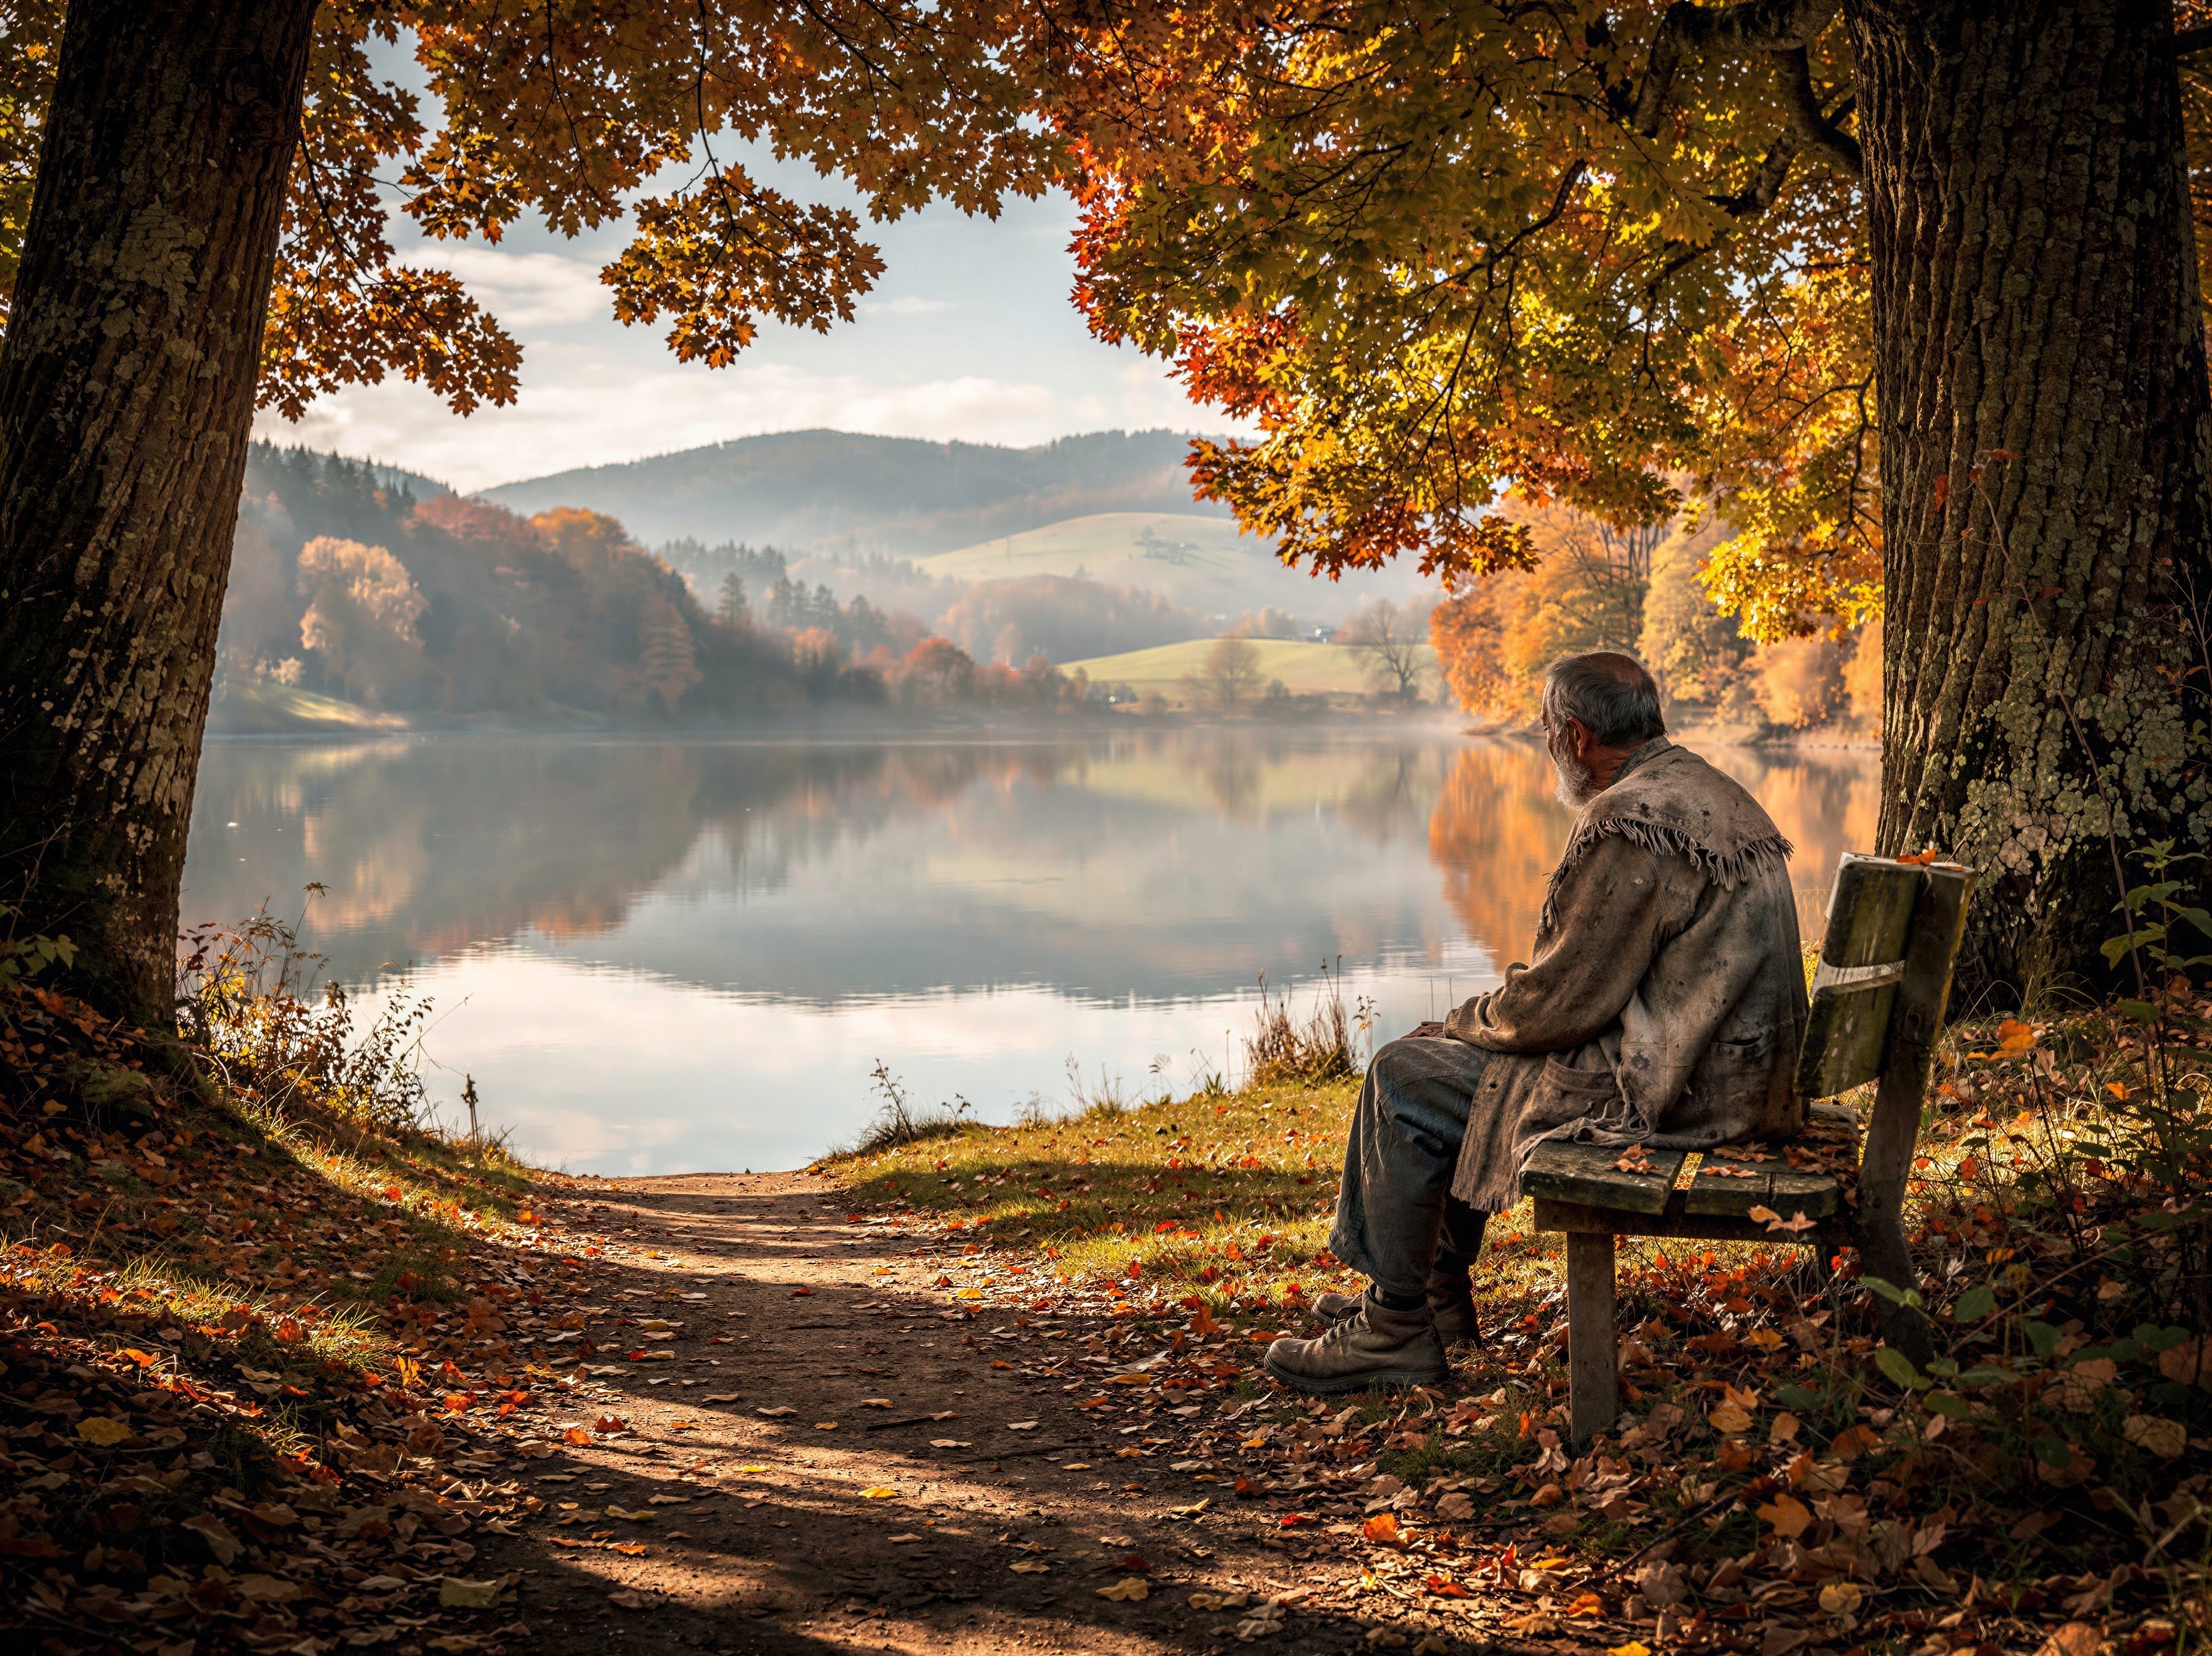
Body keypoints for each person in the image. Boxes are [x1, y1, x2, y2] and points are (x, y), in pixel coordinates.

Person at [1266, 651, 1808, 1394]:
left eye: (1547, 729)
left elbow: (1558, 1005)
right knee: (1449, 1070)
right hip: (1732, 1076)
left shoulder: (1631, 820)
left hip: (1676, 1095)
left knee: (1406, 1077)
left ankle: (1394, 1323)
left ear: (1579, 736)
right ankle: (1434, 1297)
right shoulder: (1706, 789)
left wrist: (1459, 1024)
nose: (1545, 742)